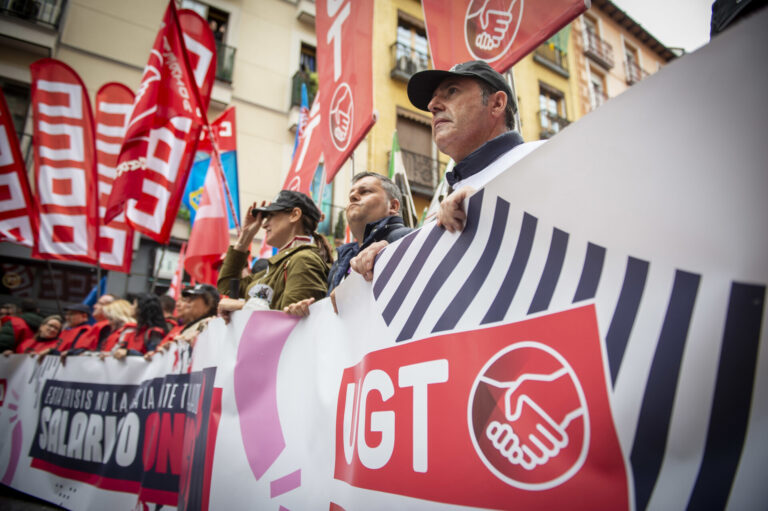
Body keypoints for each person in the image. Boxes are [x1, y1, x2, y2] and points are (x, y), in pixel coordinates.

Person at [350, 60, 545, 278]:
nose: (432, 105)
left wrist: (492, 204)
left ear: (497, 104)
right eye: (433, 99)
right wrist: (390, 257)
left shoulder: (545, 157)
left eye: (452, 91)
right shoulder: (449, 201)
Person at [284, 172, 412, 317]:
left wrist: (393, 248)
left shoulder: (407, 239)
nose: (353, 197)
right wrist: (307, 312)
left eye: (365, 191)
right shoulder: (340, 262)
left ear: (393, 206)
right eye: (351, 194)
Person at [217, 190, 331, 316]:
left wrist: (243, 306)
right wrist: (245, 237)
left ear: (295, 215)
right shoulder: (275, 267)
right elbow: (227, 285)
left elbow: (294, 322)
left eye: (271, 215)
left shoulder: (304, 259)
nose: (264, 224)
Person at [150, 284, 220, 357]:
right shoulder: (190, 326)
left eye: (192, 299)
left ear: (209, 303)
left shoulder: (210, 325)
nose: (187, 303)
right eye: (187, 300)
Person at [112, 294, 168, 359]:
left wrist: (129, 353)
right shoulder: (133, 331)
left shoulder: (154, 332)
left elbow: (154, 357)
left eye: (133, 304)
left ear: (141, 309)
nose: (131, 307)